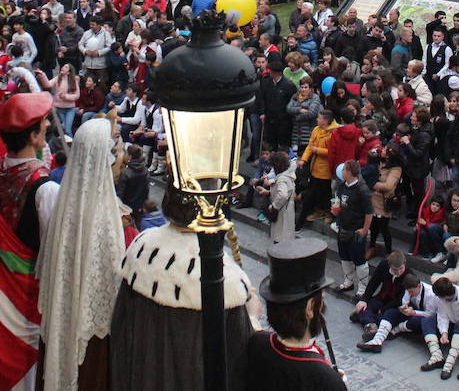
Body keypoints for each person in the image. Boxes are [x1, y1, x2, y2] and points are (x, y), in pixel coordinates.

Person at [110, 189, 255, 391]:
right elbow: (240, 367)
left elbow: (119, 335)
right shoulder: (225, 278)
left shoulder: (141, 248)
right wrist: (254, 317)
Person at [37, 118, 125, 391]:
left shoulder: (68, 205)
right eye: (115, 150)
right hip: (94, 347)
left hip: (67, 330)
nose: (119, 158)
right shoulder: (104, 217)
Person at [245, 237, 346, 391]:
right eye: (322, 300)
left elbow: (256, 331)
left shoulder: (257, 344)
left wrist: (252, 316)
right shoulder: (326, 380)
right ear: (310, 307)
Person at [0, 92, 60, 256]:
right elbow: (53, 249)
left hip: (0, 262)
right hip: (28, 274)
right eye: (44, 121)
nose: (47, 124)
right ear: (33, 136)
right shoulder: (47, 189)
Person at [332, 160, 373, 292]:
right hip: (343, 227)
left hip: (357, 231)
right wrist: (336, 210)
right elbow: (339, 202)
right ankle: (348, 282)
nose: (341, 171)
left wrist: (365, 230)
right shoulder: (343, 185)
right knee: (344, 256)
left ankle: (362, 289)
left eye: (343, 169)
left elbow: (369, 212)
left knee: (359, 259)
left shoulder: (362, 190)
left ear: (349, 172)